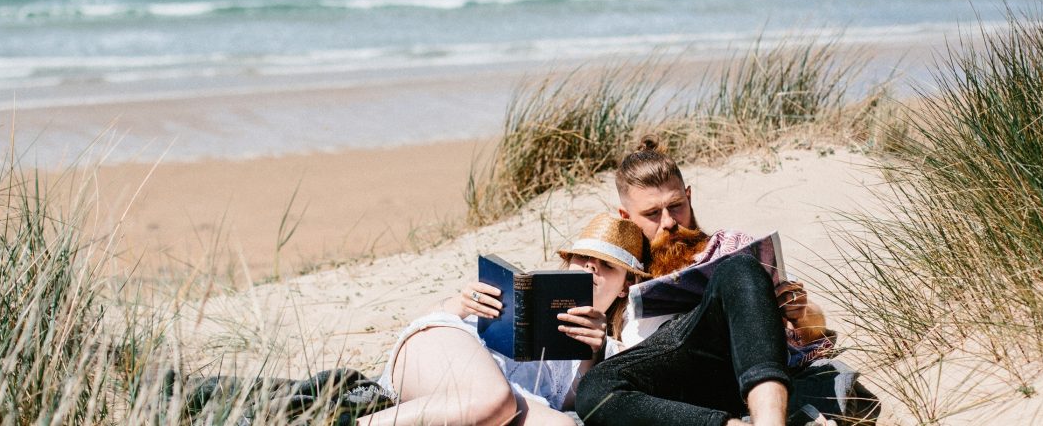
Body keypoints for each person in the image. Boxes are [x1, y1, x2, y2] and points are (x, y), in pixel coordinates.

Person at [575, 138, 879, 426]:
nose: (668, 221)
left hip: (738, 375)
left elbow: (814, 333)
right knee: (595, 389)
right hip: (669, 395)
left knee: (738, 269)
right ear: (626, 216)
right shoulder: (620, 272)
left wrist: (800, 313)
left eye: (676, 205)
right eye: (652, 214)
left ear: (689, 197)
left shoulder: (730, 248)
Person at [359, 214, 650, 426]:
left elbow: (574, 401)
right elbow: (428, 318)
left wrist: (592, 355)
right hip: (445, 346)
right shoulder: (530, 291)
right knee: (494, 398)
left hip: (506, 396)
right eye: (583, 257)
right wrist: (461, 303)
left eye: (607, 265)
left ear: (626, 285)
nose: (591, 266)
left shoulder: (608, 349)